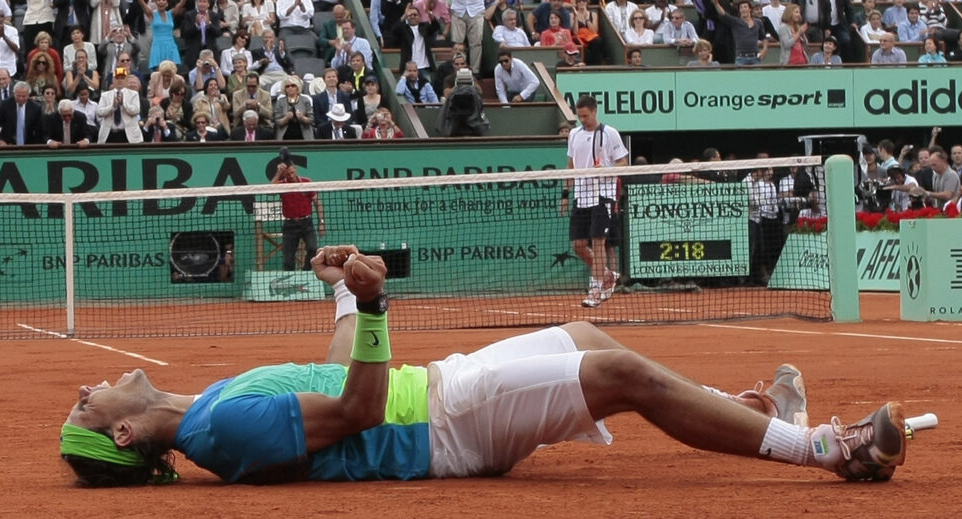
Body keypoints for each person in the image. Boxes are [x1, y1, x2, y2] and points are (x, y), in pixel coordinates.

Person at [59, 244, 909, 487]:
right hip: (443, 428)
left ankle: (760, 416)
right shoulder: (218, 428)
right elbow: (357, 413)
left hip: (438, 390)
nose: (87, 388)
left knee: (587, 337)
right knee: (623, 379)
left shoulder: (210, 405)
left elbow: (332, 379)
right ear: (127, 432)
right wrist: (381, 312)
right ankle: (829, 450)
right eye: (85, 409)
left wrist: (346, 300)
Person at [562, 95, 628, 309]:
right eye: (580, 116)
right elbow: (570, 165)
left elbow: (623, 163)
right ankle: (607, 275)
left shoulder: (610, 134)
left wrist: (607, 170)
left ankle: (596, 288)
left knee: (598, 241)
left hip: (603, 195)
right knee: (579, 245)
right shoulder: (573, 134)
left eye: (586, 116)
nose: (583, 120)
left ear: (595, 111)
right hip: (581, 197)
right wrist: (566, 193)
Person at [273, 148, 324, 271]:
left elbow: (318, 203)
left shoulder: (306, 182)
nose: (290, 176)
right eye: (287, 174)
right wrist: (278, 173)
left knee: (313, 249)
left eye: (292, 172)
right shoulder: (282, 185)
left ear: (295, 169)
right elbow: (270, 191)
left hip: (307, 223)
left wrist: (321, 223)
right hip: (290, 225)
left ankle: (305, 272)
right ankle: (290, 281)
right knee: (288, 259)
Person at [134, 0, 189, 71]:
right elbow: (141, 3)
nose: (161, 2)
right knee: (159, 73)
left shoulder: (171, 13)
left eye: (163, 0)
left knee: (172, 72)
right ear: (156, 3)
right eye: (158, 0)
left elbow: (182, 3)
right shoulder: (152, 14)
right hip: (158, 47)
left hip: (171, 46)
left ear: (167, 3)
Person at [712, 0, 767, 66]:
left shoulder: (758, 22)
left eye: (745, 7)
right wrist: (716, 4)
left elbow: (764, 38)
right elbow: (723, 14)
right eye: (741, 8)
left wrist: (764, 49)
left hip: (755, 58)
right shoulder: (736, 22)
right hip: (741, 58)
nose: (743, 9)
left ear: (750, 9)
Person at [97, 68, 144, 143]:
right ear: (113, 80)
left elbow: (136, 110)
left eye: (122, 78)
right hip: (110, 134)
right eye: (117, 78)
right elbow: (99, 112)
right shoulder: (105, 95)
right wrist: (112, 107)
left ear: (126, 80)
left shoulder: (134, 94)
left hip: (128, 135)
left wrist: (123, 103)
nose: (119, 80)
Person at [437, 68, 488, 136]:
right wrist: (456, 87)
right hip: (456, 127)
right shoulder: (453, 93)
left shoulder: (475, 92)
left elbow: (480, 92)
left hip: (473, 128)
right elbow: (446, 94)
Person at [0, 82, 45, 146]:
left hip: (29, 146)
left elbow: (39, 130)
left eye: (24, 96)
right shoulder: (5, 105)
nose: (21, 98)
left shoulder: (36, 108)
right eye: (18, 96)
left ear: (28, 95)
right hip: (8, 145)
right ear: (14, 94)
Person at [450, 0, 486, 76]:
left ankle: (474, 72)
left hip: (476, 9)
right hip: (458, 9)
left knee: (476, 44)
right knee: (457, 44)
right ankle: (456, 69)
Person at [273, 75, 315, 140]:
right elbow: (277, 122)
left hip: (303, 135)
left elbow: (311, 120)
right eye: (287, 86)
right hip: (285, 135)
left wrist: (302, 117)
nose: (290, 88)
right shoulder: (280, 101)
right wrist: (286, 118)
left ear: (297, 87)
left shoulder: (305, 100)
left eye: (293, 85)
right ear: (284, 89)